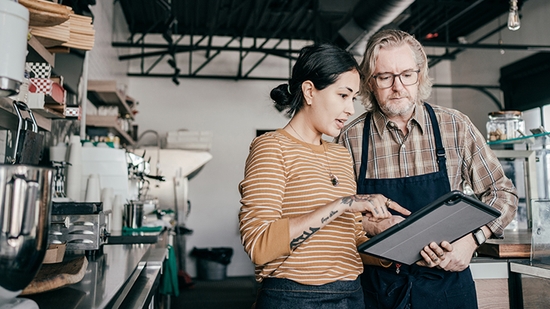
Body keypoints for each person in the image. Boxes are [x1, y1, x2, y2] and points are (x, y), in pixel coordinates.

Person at [335, 29, 519, 309]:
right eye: (385, 77)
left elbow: (502, 193)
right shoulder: (349, 138)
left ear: (419, 75)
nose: (398, 86)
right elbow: (335, 217)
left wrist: (472, 240)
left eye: (407, 74)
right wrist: (371, 224)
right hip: (378, 291)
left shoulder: (455, 126)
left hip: (447, 287)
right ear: (370, 83)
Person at [238, 43, 412, 309]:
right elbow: (259, 245)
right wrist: (342, 204)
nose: (350, 110)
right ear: (309, 91)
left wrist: (394, 247)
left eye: (352, 99)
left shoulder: (340, 154)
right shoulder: (271, 147)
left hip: (351, 296)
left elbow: (351, 238)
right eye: (343, 95)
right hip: (293, 298)